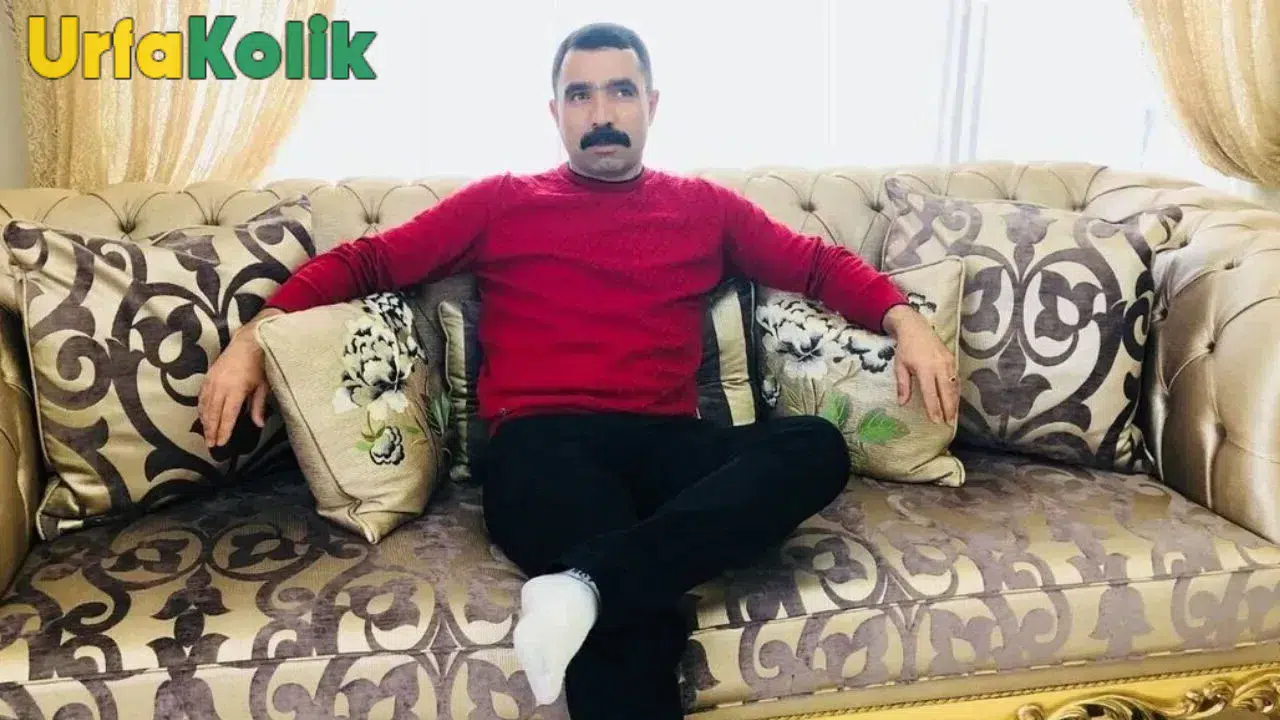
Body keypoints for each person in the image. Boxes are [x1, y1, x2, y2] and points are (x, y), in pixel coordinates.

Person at [198, 21, 958, 719]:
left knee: (813, 446)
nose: (602, 113)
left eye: (621, 91)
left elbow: (816, 264)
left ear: (651, 104)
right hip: (544, 445)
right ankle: (607, 581)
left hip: (671, 446)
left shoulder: (703, 207)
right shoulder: (502, 202)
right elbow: (367, 261)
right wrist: (254, 337)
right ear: (555, 111)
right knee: (639, 618)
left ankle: (582, 585)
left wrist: (906, 320)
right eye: (580, 94)